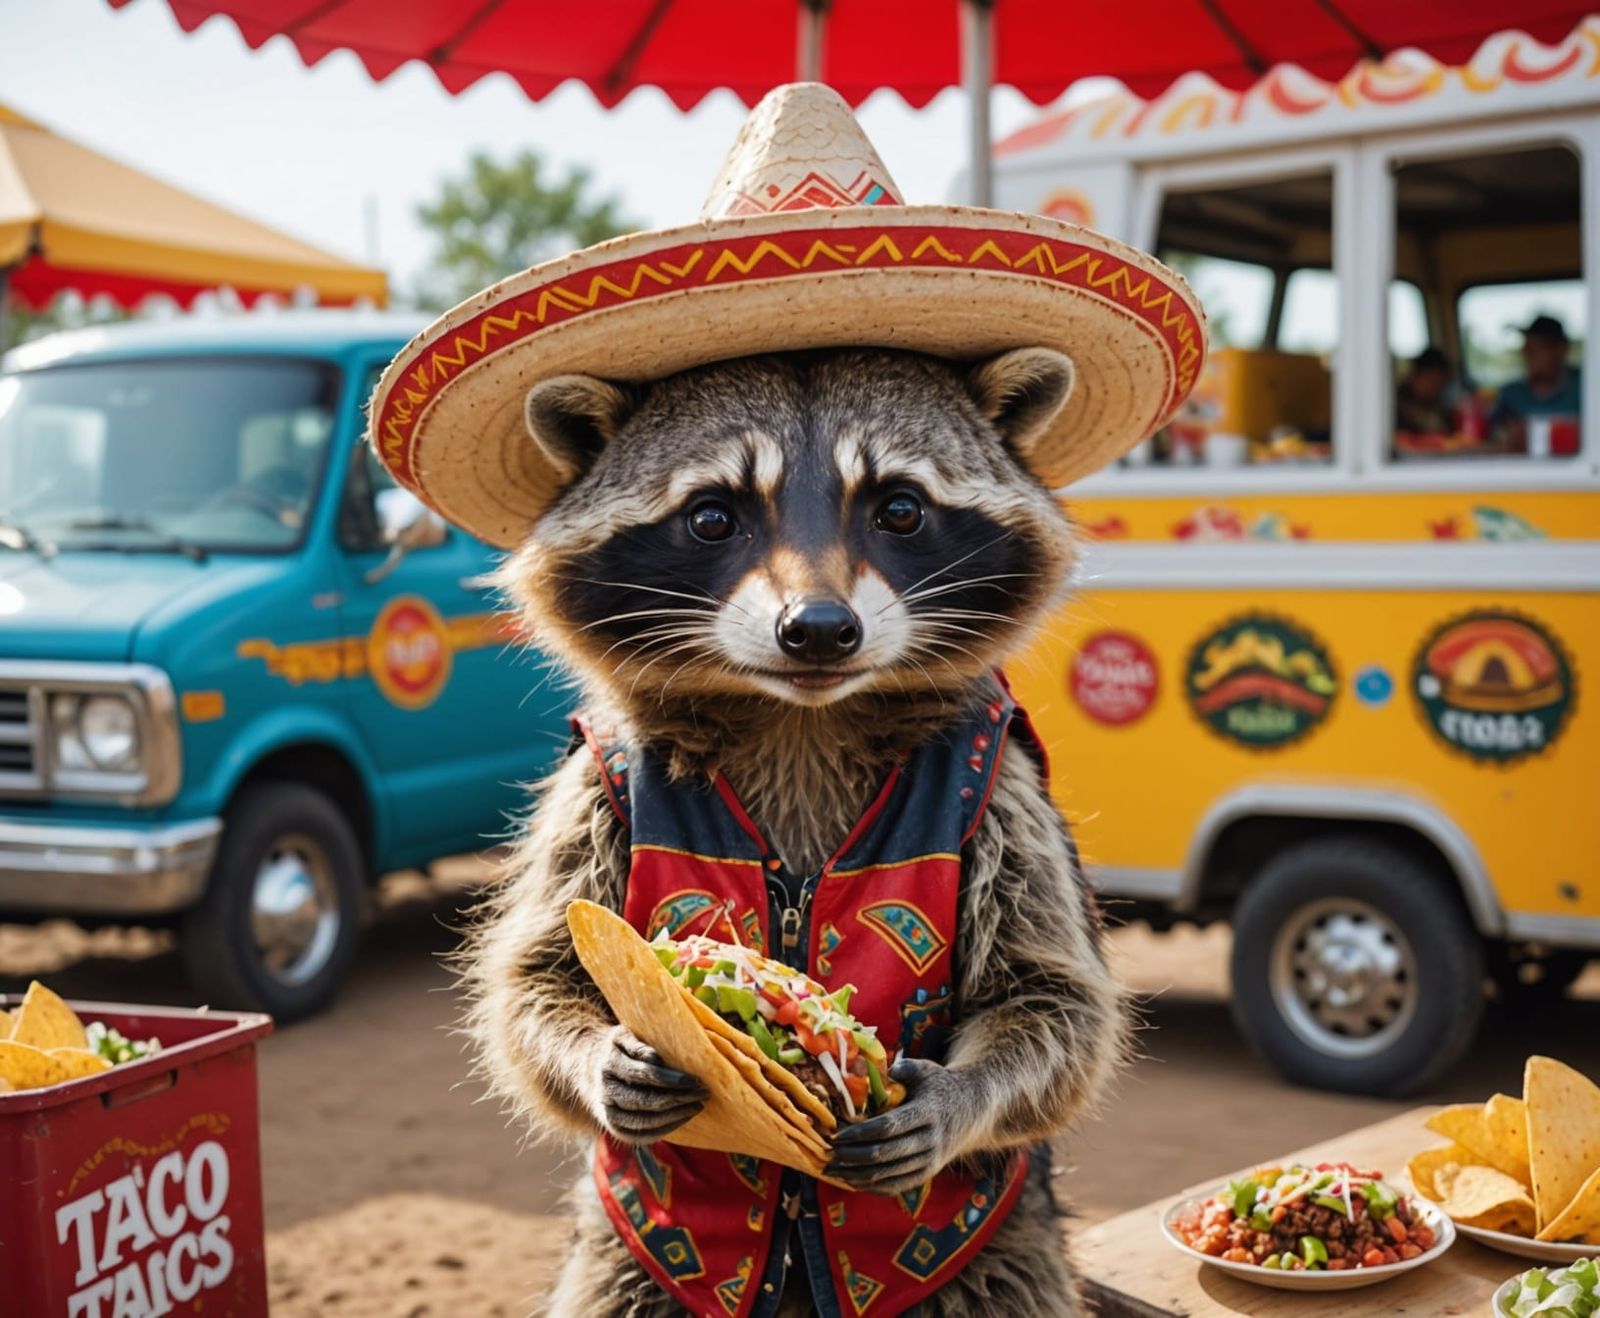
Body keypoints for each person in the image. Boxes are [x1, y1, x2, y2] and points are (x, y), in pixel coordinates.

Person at [1490, 315, 1581, 451]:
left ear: (1561, 349)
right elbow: (1493, 434)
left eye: (1536, 348)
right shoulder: (1511, 393)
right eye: (1526, 348)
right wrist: (1506, 436)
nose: (1527, 354)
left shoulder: (1586, 387)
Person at [1395, 347, 1453, 436]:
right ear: (1416, 375)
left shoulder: (1441, 407)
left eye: (1440, 383)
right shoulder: (1397, 408)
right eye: (1432, 381)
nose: (1435, 389)